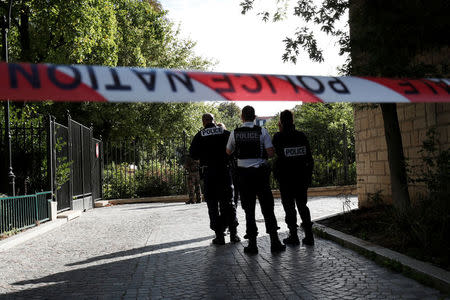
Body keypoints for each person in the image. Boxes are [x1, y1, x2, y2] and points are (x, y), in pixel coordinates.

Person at [226, 106, 286, 254]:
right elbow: (271, 153)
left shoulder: (235, 133)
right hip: (260, 174)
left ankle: (252, 244)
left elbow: (228, 151)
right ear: (254, 117)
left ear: (242, 117)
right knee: (268, 209)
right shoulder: (262, 131)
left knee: (249, 210)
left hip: (243, 176)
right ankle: (274, 242)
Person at [190, 114, 240, 245]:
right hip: (225, 171)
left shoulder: (200, 135)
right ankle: (234, 234)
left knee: (212, 204)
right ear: (214, 121)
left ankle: (219, 236)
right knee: (228, 202)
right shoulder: (225, 133)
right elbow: (235, 150)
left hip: (209, 173)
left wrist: (204, 154)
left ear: (203, 122)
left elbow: (193, 154)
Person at [272, 110, 315, 246]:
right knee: (303, 206)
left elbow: (275, 155)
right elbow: (309, 158)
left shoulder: (278, 137)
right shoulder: (301, 136)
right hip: (301, 178)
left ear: (281, 121)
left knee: (289, 207)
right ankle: (309, 236)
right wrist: (308, 176)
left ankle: (294, 236)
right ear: (293, 120)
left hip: (286, 179)